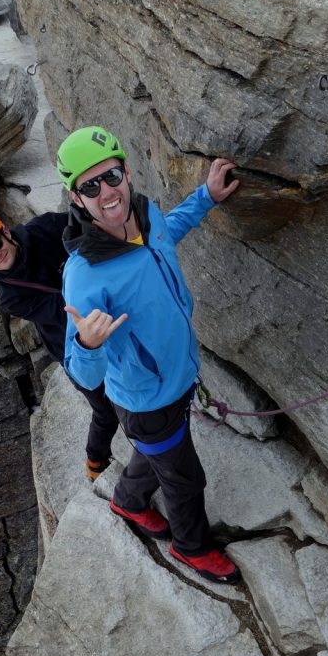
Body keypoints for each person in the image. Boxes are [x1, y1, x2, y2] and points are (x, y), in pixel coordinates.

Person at [57, 125, 241, 583]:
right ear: (77, 199)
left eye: (112, 176)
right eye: (90, 186)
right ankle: (191, 547)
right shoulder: (84, 273)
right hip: (146, 400)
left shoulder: (146, 214)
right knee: (185, 479)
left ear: (127, 172)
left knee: (159, 456)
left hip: (175, 379)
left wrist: (206, 197)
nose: (107, 192)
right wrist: (88, 343)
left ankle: (128, 501)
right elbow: (82, 371)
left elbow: (168, 232)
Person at [0, 209, 119, 480]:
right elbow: (63, 311)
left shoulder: (45, 228)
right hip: (72, 346)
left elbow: (85, 229)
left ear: (5, 232)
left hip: (105, 310)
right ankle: (95, 460)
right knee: (105, 411)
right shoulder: (10, 297)